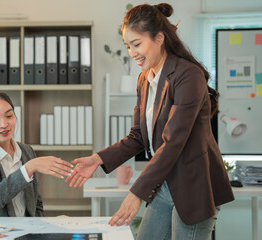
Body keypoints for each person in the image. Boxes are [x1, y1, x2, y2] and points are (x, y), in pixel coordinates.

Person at [66, 3, 234, 239]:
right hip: (165, 182)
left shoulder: (188, 75)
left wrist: (136, 193)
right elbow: (138, 136)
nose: (131, 52)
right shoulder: (145, 79)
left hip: (195, 185)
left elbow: (173, 141)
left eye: (136, 44)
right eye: (127, 46)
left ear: (159, 38)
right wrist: (97, 159)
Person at [0, 92, 73, 217]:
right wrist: (28, 168)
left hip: (27, 231)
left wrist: (42, 228)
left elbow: (36, 202)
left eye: (9, 116)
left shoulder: (27, 151)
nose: (4, 124)